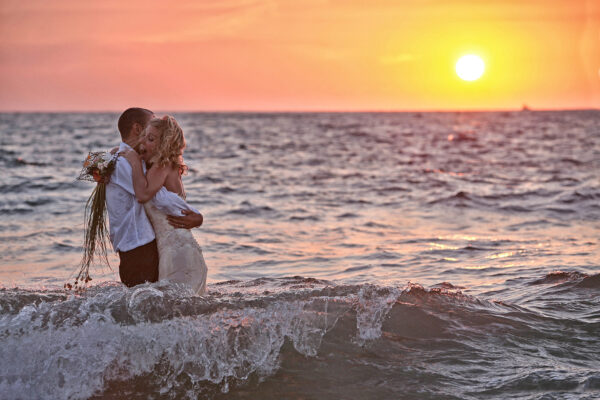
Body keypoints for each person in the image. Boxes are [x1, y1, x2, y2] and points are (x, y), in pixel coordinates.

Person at [106, 108, 204, 288]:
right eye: (146, 134)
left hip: (153, 246)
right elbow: (152, 195)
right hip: (138, 247)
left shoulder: (141, 163)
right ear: (137, 129)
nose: (145, 140)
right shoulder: (123, 162)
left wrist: (197, 217)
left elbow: (159, 198)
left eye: (151, 138)